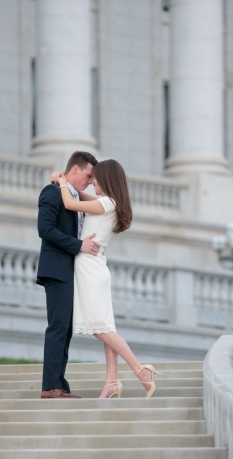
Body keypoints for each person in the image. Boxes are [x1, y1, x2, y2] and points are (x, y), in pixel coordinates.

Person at [55, 159, 161, 398]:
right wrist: (69, 184)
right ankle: (111, 382)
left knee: (100, 328)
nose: (92, 182)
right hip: (96, 267)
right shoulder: (110, 203)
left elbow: (71, 203)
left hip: (91, 269)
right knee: (105, 325)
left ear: (107, 179)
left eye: (96, 178)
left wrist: (62, 180)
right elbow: (80, 197)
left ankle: (140, 369)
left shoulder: (106, 203)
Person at [36, 151, 100, 399]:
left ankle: (58, 383)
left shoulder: (72, 196)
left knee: (66, 329)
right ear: (75, 169)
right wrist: (78, 245)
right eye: (88, 175)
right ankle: (51, 387)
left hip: (70, 272)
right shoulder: (52, 192)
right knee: (58, 327)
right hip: (57, 270)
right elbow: (45, 229)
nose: (91, 181)